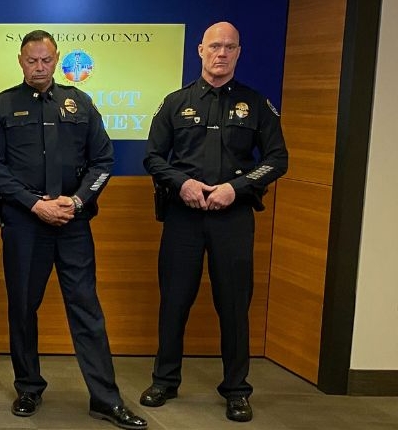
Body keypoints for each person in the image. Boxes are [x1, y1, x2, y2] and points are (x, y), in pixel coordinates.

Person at [0, 29, 147, 429]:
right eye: (32, 60)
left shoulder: (81, 103)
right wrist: (35, 203)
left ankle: (105, 398)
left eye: (46, 60)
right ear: (20, 61)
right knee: (22, 308)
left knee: (87, 309)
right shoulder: (1, 106)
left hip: (72, 222)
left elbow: (103, 160)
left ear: (57, 60)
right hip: (24, 223)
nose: (39, 67)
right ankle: (29, 387)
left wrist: (74, 201)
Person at [140, 22, 288, 423]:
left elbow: (277, 159)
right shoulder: (175, 102)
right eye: (215, 46)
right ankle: (165, 381)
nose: (221, 54)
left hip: (233, 218)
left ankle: (237, 391)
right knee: (174, 301)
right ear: (200, 51)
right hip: (183, 217)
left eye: (229, 47)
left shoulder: (256, 104)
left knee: (234, 305)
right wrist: (182, 182)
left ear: (239, 53)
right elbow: (153, 157)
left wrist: (236, 188)